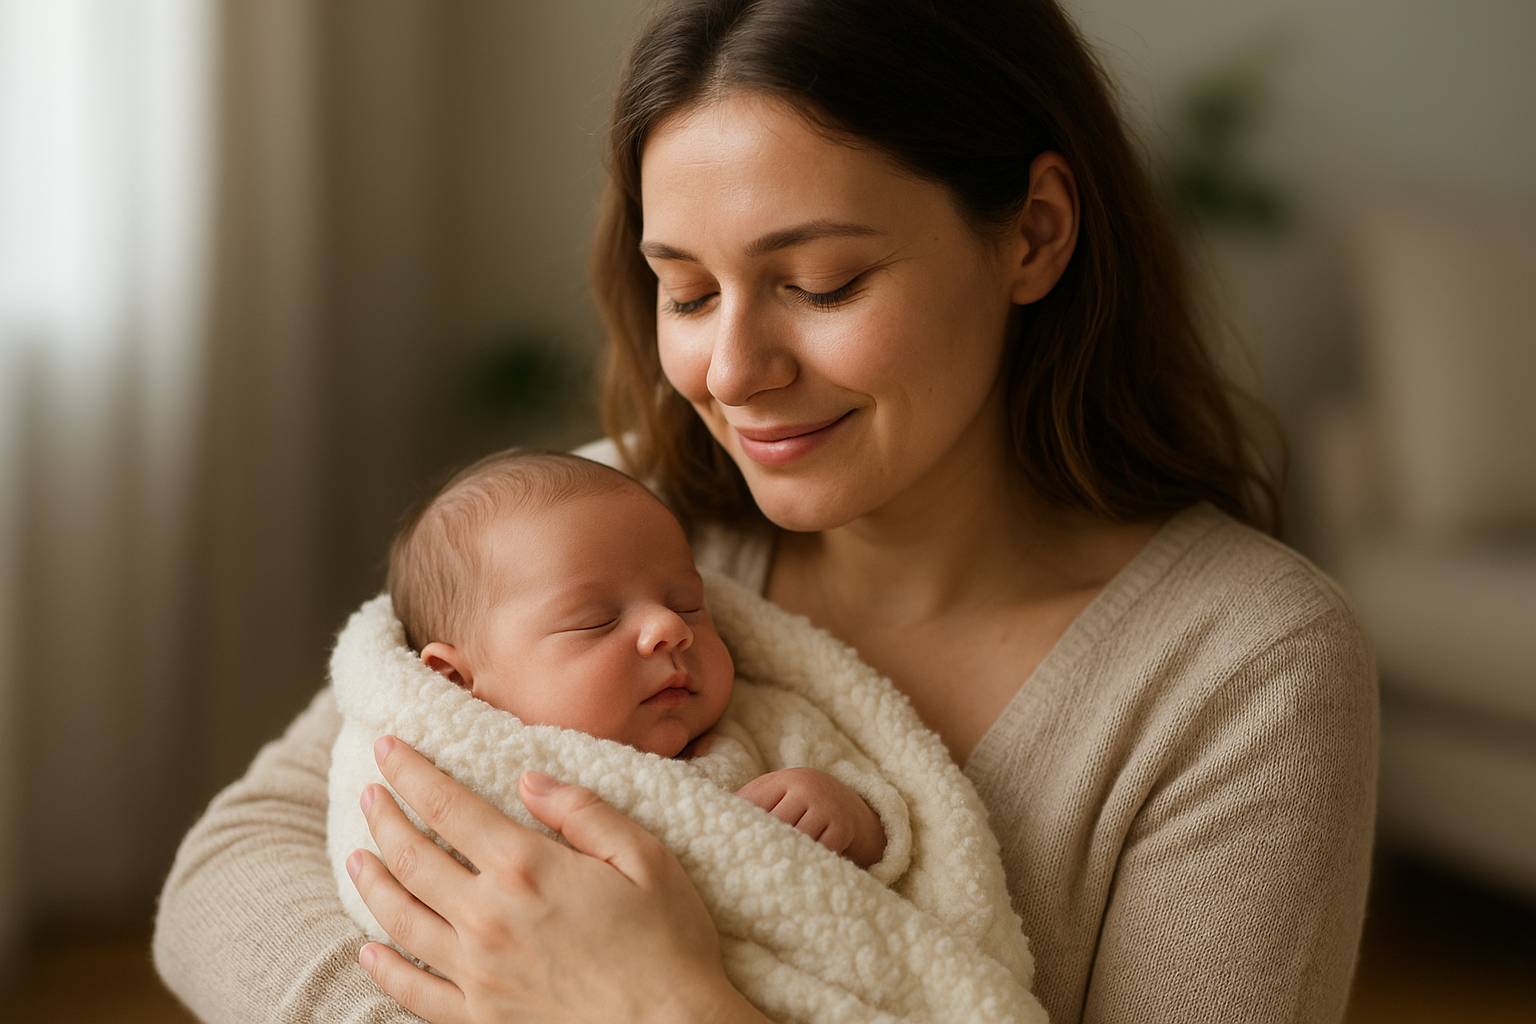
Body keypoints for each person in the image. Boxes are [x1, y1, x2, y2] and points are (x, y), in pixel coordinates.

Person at [153, 1, 1379, 1022]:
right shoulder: (620, 516)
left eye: (820, 282)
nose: (733, 372)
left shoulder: (1239, 672)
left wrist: (666, 1008)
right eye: (685, 292)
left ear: (1036, 235)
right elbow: (227, 867)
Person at [369, 447, 886, 867]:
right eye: (597, 620)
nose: (671, 628)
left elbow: (917, 857)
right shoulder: (466, 787)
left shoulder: (766, 725)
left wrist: (849, 817)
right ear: (457, 682)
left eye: (688, 604)